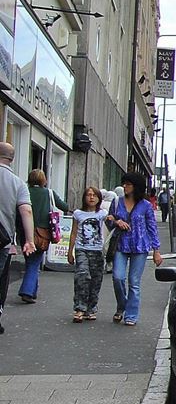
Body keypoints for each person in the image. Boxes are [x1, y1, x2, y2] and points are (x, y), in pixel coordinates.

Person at [107, 172, 162, 326]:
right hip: (120, 244)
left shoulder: (145, 205)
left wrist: (156, 250)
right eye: (124, 183)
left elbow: (152, 227)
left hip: (140, 246)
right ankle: (122, 305)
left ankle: (131, 315)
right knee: (118, 277)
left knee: (134, 282)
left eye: (128, 184)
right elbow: (109, 221)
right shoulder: (117, 201)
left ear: (136, 186)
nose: (125, 186)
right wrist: (116, 221)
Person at [17, 169, 70, 304]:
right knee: (35, 262)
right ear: (43, 180)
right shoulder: (48, 193)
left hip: (24, 231)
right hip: (43, 233)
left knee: (30, 261)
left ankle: (32, 291)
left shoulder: (24, 191)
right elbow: (64, 206)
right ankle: (27, 291)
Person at [0, 143, 35, 335]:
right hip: (2, 241)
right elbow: (26, 211)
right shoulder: (18, 183)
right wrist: (29, 240)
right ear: (12, 159)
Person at [67, 187, 108, 322]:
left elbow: (111, 225)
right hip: (81, 249)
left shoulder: (102, 214)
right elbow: (73, 232)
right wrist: (70, 251)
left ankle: (91, 308)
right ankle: (79, 308)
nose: (91, 197)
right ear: (84, 197)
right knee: (82, 276)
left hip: (97, 250)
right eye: (89, 195)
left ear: (99, 198)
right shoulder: (78, 214)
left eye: (94, 195)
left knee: (96, 280)